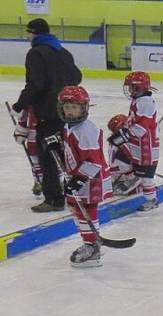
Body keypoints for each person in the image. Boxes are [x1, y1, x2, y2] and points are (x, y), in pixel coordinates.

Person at [12, 18, 82, 213]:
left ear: (34, 33)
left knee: (47, 155)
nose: (27, 36)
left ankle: (53, 199)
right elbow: (77, 77)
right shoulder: (62, 51)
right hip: (67, 111)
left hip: (48, 112)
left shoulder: (35, 53)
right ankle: (72, 192)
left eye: (28, 33)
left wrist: (19, 105)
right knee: (63, 152)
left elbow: (35, 84)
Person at [56, 86, 112, 267]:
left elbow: (93, 162)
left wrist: (78, 180)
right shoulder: (69, 126)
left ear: (84, 108)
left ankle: (92, 247)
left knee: (87, 210)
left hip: (90, 179)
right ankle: (89, 241)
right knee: (77, 210)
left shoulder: (85, 130)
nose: (70, 112)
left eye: (75, 107)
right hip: (78, 177)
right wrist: (56, 145)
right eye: (67, 107)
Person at [107, 71, 160, 211]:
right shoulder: (138, 101)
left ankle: (151, 200)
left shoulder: (146, 102)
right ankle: (134, 178)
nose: (129, 90)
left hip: (146, 147)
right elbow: (133, 122)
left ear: (139, 88)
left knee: (147, 176)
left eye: (131, 87)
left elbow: (142, 127)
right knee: (127, 162)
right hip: (138, 145)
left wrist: (123, 136)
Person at [12, 107, 43, 197]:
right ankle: (38, 182)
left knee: (54, 160)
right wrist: (20, 132)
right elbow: (23, 119)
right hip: (33, 137)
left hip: (50, 135)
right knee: (35, 162)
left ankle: (59, 183)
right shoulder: (29, 100)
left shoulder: (53, 97)